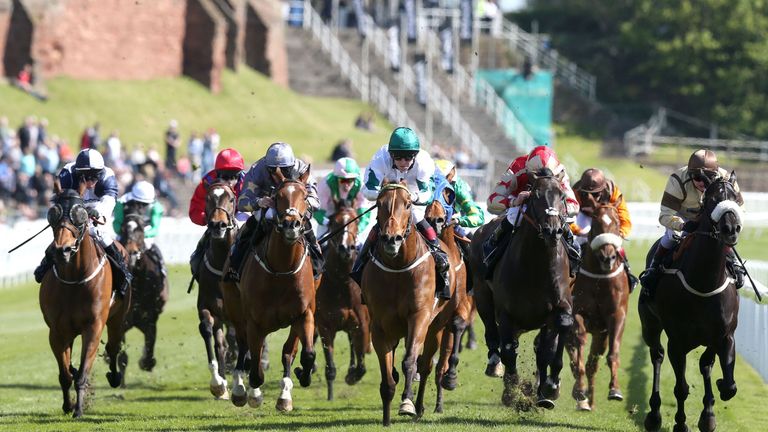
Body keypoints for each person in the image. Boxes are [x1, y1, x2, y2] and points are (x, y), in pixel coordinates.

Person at [350, 127, 452, 300]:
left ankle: (439, 258)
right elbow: (367, 190)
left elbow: (426, 195)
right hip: (388, 199)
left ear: (415, 155)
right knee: (381, 225)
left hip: (411, 199)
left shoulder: (424, 162)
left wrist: (406, 196)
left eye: (408, 157)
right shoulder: (379, 159)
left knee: (418, 218)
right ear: (391, 154)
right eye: (398, 157)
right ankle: (359, 266)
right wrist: (390, 194)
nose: (403, 161)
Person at [638, 149, 746, 297]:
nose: (701, 182)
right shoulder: (677, 180)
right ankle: (654, 268)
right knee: (672, 235)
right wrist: (682, 225)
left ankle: (735, 265)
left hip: (712, 217)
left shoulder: (726, 178)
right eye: (696, 177)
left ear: (715, 174)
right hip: (684, 218)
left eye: (707, 177)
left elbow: (740, 209)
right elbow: (665, 215)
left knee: (723, 233)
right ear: (689, 174)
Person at [33, 148, 132, 297]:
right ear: (79, 173)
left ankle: (122, 271)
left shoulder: (108, 175)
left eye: (95, 177)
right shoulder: (67, 173)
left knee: (98, 233)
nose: (91, 182)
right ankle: (45, 264)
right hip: (72, 209)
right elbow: (59, 199)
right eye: (87, 177)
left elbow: (109, 200)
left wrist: (99, 212)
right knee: (63, 235)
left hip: (97, 208)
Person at [224, 142, 324, 282]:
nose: (278, 173)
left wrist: (299, 204)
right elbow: (242, 203)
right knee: (247, 231)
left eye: (284, 169)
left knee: (308, 231)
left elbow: (315, 201)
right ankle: (234, 267)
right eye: (272, 169)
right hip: (266, 209)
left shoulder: (301, 169)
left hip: (294, 211)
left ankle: (317, 266)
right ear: (267, 166)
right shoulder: (257, 170)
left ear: (291, 166)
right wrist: (259, 202)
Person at [484, 145, 581, 278]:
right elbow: (491, 201)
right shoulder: (517, 167)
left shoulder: (560, 172)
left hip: (550, 209)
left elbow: (574, 206)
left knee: (562, 223)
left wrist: (557, 207)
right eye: (535, 177)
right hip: (521, 205)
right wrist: (513, 202)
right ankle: (491, 250)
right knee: (513, 216)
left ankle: (574, 257)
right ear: (528, 170)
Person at [570, 168, 638, 291]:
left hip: (605, 217)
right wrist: (577, 230)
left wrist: (620, 233)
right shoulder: (575, 192)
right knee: (577, 241)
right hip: (584, 216)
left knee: (614, 243)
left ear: (602, 189)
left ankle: (628, 272)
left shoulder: (613, 191)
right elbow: (568, 217)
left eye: (595, 194)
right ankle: (573, 271)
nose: (591, 197)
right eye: (586, 193)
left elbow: (624, 217)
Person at [188, 148, 246, 281]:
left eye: (234, 175)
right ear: (217, 173)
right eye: (225, 176)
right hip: (216, 222)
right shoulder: (206, 184)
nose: (230, 181)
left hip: (240, 216)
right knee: (196, 259)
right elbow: (195, 210)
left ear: (240, 173)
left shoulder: (247, 183)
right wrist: (207, 218)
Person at [433, 159, 484, 294]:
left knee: (476, 251)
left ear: (452, 174)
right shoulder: (430, 182)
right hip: (431, 223)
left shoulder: (460, 188)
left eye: (446, 178)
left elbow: (478, 216)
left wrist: (458, 220)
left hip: (455, 224)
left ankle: (477, 288)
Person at [113, 181, 166, 276]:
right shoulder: (121, 203)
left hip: (145, 233)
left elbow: (154, 229)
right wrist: (127, 232)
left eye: (145, 204)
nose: (141, 206)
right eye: (138, 203)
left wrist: (139, 234)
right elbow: (116, 224)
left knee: (154, 250)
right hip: (126, 233)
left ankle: (162, 270)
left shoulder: (156, 207)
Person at [314, 157, 372, 243]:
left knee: (360, 243)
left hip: (351, 214)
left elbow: (365, 215)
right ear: (336, 178)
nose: (347, 185)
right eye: (343, 180)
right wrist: (329, 223)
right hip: (330, 212)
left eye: (351, 180)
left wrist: (357, 229)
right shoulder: (325, 185)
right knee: (320, 242)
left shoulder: (361, 186)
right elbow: (317, 211)